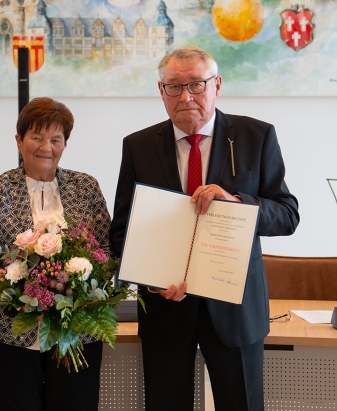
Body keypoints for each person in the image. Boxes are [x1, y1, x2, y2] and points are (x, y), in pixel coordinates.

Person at [110, 46, 299, 411]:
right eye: (174, 87)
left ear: (217, 85)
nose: (186, 97)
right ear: (161, 91)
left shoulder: (254, 137)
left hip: (235, 308)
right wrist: (151, 280)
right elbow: (122, 233)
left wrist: (239, 204)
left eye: (196, 85)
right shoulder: (138, 147)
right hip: (166, 309)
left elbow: (287, 214)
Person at [0, 97, 112, 411]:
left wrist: (77, 291)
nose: (45, 147)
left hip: (75, 333)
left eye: (55, 139)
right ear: (19, 140)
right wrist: (15, 292)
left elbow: (104, 253)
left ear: (65, 144)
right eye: (36, 137)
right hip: (9, 332)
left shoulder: (86, 187)